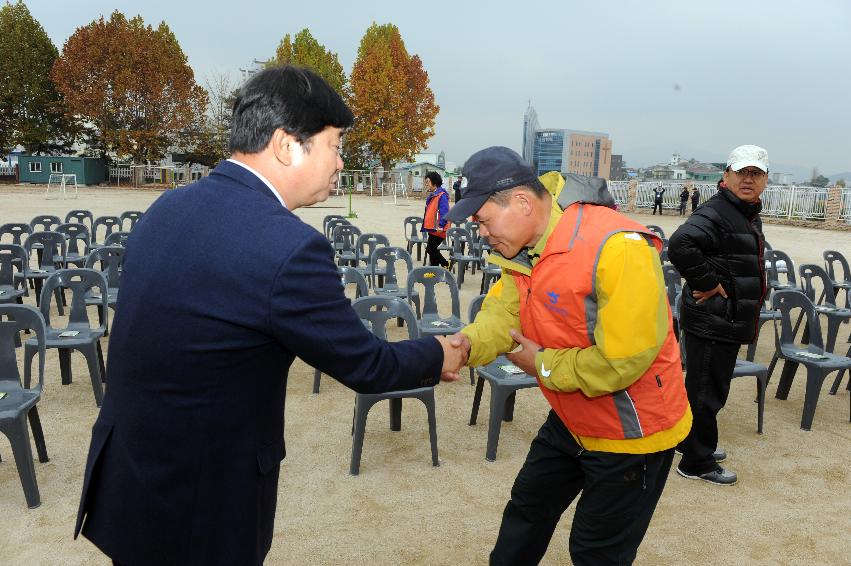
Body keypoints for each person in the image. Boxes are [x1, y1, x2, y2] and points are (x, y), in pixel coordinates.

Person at [74, 66, 466, 566]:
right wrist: (442, 351)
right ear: (287, 144)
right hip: (201, 506)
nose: (341, 162)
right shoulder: (288, 246)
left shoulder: (167, 208)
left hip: (131, 485)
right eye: (335, 144)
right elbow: (368, 366)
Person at [444, 147, 691, 565]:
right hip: (572, 415)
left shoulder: (618, 246)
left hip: (632, 431)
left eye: (483, 220)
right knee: (526, 510)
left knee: (596, 550)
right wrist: (465, 345)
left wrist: (542, 364)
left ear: (522, 202)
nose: (481, 233)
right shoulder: (523, 249)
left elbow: (623, 361)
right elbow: (503, 313)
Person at [668, 144, 768, 486]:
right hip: (714, 318)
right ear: (726, 176)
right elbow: (680, 244)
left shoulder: (742, 212)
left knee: (700, 386)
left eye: (755, 174)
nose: (748, 179)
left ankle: (688, 442)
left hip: (721, 317)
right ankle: (697, 461)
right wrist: (707, 282)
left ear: (765, 180)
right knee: (707, 391)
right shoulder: (719, 211)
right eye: (742, 172)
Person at [421, 171, 450, 267]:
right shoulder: (434, 195)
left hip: (439, 229)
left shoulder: (442, 195)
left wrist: (441, 225)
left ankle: (446, 264)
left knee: (430, 249)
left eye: (428, 182)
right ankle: (434, 271)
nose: (426, 184)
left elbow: (445, 212)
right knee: (432, 250)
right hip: (433, 228)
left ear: (434, 182)